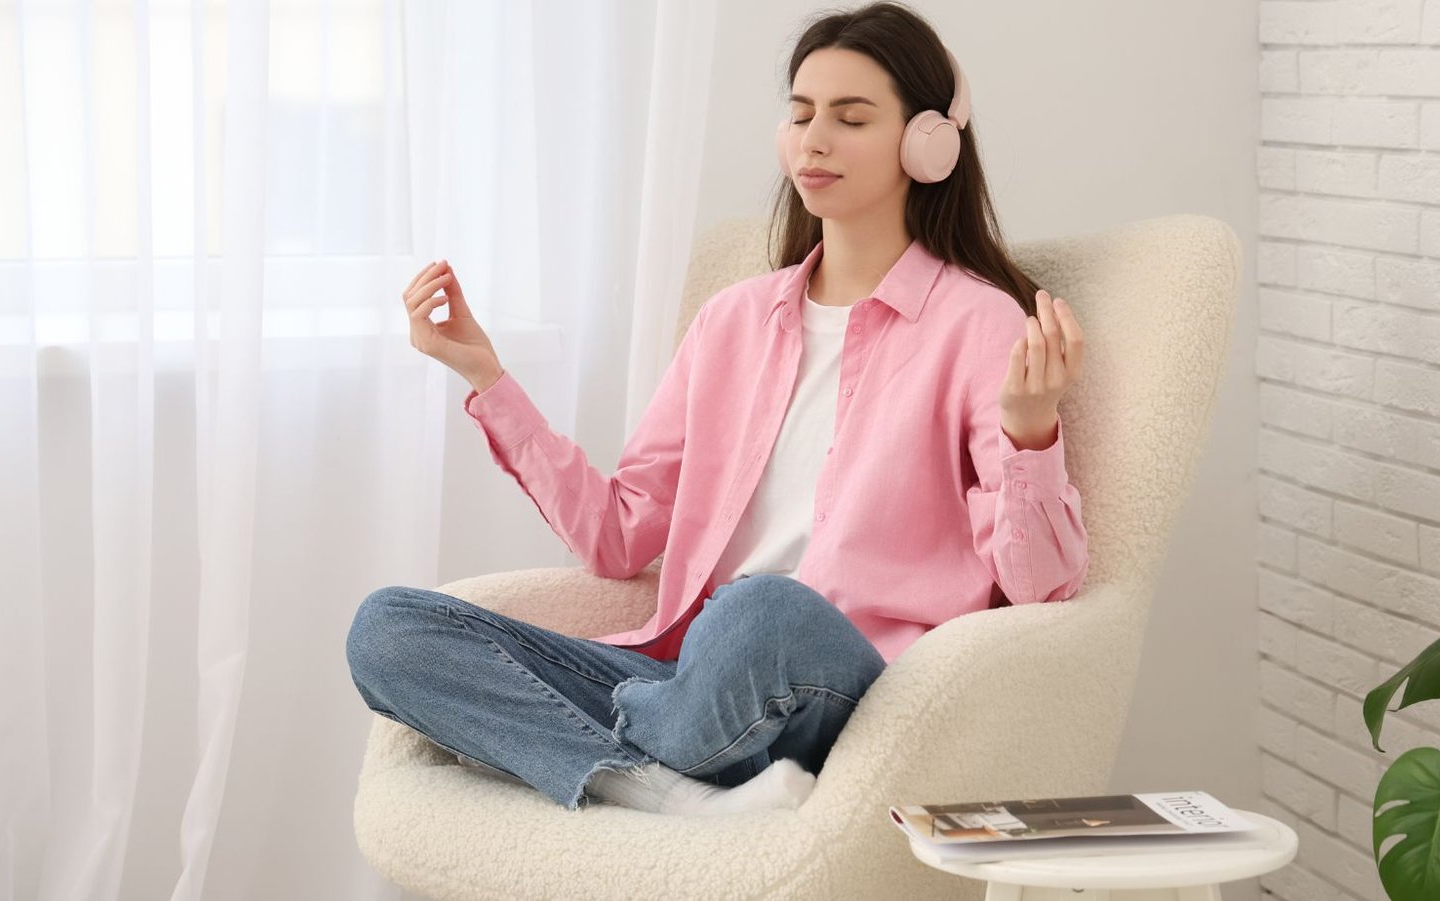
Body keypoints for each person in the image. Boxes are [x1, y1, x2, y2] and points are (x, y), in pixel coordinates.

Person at [345, 0, 1088, 818]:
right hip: (692, 679)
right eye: (801, 114)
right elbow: (617, 536)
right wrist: (488, 378)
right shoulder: (732, 320)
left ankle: (602, 756)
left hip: (835, 685)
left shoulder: (981, 324)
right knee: (388, 630)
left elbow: (1041, 589)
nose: (814, 139)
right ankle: (675, 790)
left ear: (927, 142)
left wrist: (1030, 433)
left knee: (760, 607)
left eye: (851, 117)